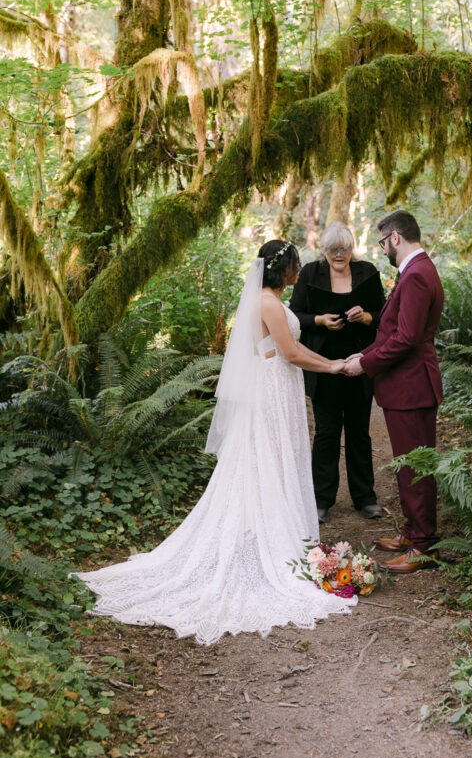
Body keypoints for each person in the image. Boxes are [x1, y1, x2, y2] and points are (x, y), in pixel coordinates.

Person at [75, 241, 356, 644]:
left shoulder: (268, 299)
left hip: (276, 387)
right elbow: (291, 353)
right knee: (270, 460)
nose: (300, 269)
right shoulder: (270, 304)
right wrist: (333, 365)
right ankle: (267, 539)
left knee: (272, 460)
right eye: (295, 264)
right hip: (274, 388)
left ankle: (267, 532)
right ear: (284, 269)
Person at [345, 211, 444, 573]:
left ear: (395, 238)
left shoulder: (417, 275)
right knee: (408, 466)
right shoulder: (415, 272)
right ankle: (413, 532)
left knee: (416, 468)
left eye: (382, 242)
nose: (383, 249)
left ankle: (423, 545)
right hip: (406, 385)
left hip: (412, 386)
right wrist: (366, 354)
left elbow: (406, 338)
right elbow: (395, 333)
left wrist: (366, 365)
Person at [290, 222, 385, 523]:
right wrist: (319, 320)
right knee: (327, 432)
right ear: (324, 251)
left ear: (351, 249)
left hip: (360, 364)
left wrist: (366, 316)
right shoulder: (310, 273)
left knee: (359, 431)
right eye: (333, 250)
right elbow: (294, 316)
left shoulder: (367, 272)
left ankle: (365, 498)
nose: (339, 255)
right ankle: (321, 500)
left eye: (344, 249)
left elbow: (384, 316)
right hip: (324, 366)